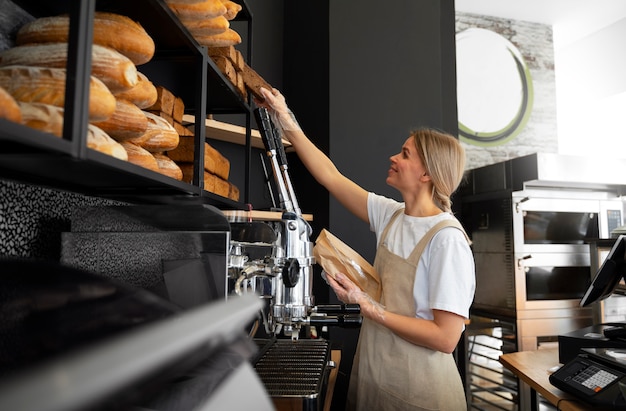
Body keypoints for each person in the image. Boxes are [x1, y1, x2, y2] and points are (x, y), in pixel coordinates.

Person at [257, 87, 476, 411]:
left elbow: (445, 338)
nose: (394, 157)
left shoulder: (446, 239)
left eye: (404, 154)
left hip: (421, 394)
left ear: (427, 173)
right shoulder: (392, 215)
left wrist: (368, 306)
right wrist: (283, 117)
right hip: (375, 377)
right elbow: (331, 177)